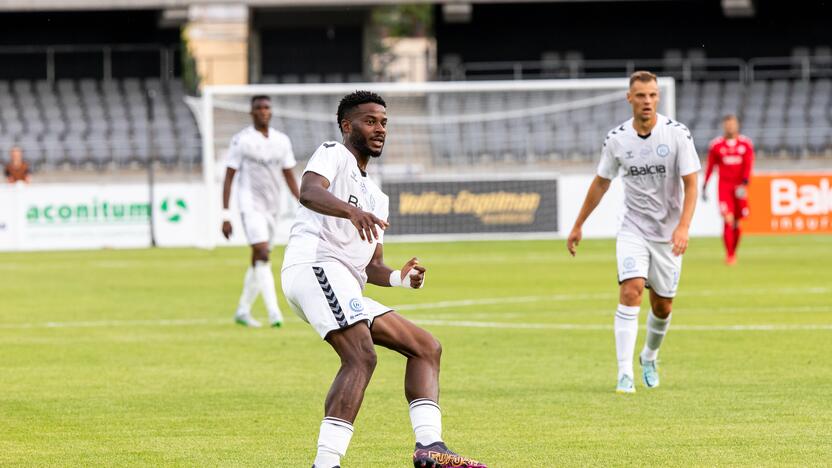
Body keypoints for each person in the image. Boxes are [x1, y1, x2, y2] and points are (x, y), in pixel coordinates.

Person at [281, 91, 486, 468]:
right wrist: (348, 212)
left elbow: (371, 266)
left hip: (343, 280)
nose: (379, 129)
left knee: (426, 347)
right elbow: (309, 192)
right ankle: (325, 464)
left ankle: (430, 448)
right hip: (314, 267)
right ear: (347, 126)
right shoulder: (334, 153)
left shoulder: (377, 197)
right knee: (360, 356)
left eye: (384, 122)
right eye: (370, 121)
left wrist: (400, 279)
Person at [567, 71, 700, 394]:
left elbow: (691, 182)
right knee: (631, 290)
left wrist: (683, 226)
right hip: (633, 228)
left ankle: (649, 356)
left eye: (653, 95)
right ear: (630, 98)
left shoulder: (677, 135)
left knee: (662, 306)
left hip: (668, 234)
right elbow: (601, 182)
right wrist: (578, 223)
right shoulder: (617, 139)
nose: (648, 101)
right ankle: (624, 373)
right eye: (641, 95)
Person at [222, 95, 300, 328]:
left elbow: (288, 174)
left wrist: (303, 203)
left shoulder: (282, 141)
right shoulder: (241, 140)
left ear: (271, 112)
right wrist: (225, 215)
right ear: (251, 112)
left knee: (258, 258)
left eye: (266, 108)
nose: (263, 111)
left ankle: (242, 311)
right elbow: (228, 176)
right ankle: (274, 312)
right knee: (263, 253)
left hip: (272, 207)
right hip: (250, 205)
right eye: (258, 108)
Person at [702, 114, 754, 265]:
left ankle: (734, 252)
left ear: (737, 125)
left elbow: (748, 164)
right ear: (724, 126)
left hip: (740, 187)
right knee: (728, 219)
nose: (730, 127)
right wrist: (705, 184)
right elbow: (710, 166)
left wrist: (745, 182)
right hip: (724, 187)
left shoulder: (745, 144)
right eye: (727, 124)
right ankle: (729, 255)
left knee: (737, 222)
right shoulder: (716, 145)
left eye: (733, 124)